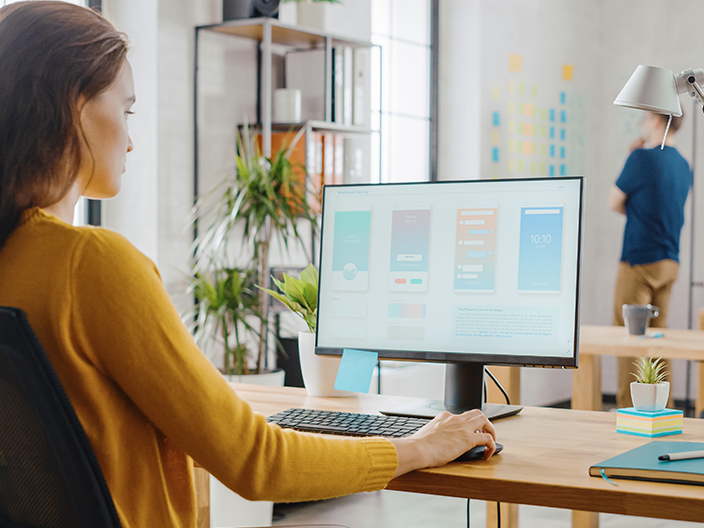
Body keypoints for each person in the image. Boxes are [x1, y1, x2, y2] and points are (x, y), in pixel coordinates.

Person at [0, 3, 497, 527]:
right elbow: (257, 462)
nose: (130, 138)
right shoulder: (92, 265)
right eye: (126, 111)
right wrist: (420, 447)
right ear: (74, 107)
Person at [607, 111, 691, 409]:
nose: (641, 123)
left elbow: (613, 201)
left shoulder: (640, 159)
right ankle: (662, 409)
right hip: (670, 261)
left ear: (657, 120)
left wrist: (634, 157)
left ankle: (630, 410)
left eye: (645, 117)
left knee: (629, 337)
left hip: (639, 259)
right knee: (658, 337)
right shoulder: (684, 166)